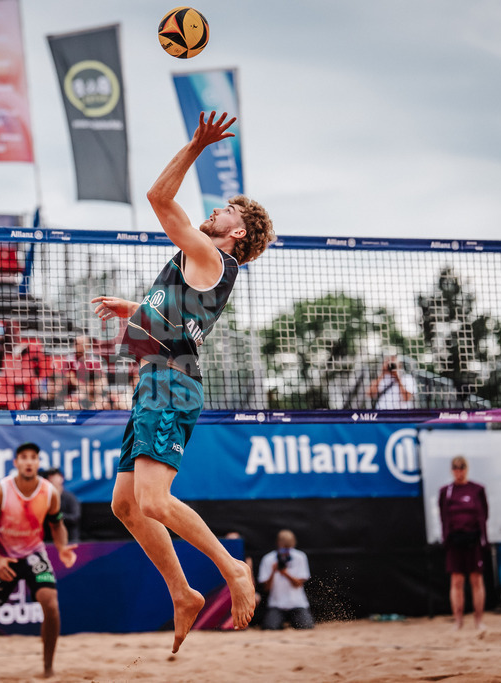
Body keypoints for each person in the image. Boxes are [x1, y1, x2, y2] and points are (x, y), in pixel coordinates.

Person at [90, 111, 275, 652]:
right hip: (158, 379)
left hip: (169, 384)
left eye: (226, 210)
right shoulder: (200, 264)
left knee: (153, 500)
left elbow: (158, 196)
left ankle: (232, 568)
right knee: (125, 505)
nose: (215, 210)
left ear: (236, 232)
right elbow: (178, 326)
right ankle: (183, 593)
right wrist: (134, 309)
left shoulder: (209, 253)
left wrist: (196, 145)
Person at [0, 442, 77, 678]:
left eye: (33, 458)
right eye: (24, 457)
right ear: (16, 463)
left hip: (33, 553)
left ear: (38, 463)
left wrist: (62, 548)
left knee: (51, 604)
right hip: (3, 554)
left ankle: (48, 668)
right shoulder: (0, 491)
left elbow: (57, 525)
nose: (29, 462)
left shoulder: (49, 492)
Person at [438, 455, 489, 630]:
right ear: (452, 470)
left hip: (473, 540)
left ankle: (478, 621)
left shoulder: (477, 490)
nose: (458, 472)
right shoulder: (446, 492)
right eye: (455, 468)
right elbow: (443, 516)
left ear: (466, 469)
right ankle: (458, 621)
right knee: (456, 581)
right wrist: (447, 537)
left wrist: (481, 536)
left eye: (461, 468)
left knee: (476, 580)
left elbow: (484, 514)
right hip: (455, 541)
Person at [258, 529, 314, 630]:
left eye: (289, 548)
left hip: (297, 603)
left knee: (306, 626)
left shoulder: (300, 557)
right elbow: (266, 588)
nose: (286, 552)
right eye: (284, 548)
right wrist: (273, 572)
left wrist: (285, 573)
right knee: (270, 627)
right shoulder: (268, 559)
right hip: (276, 604)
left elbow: (298, 584)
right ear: (278, 544)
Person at [41, 467, 81, 543]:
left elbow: (75, 517)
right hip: (48, 541)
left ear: (61, 479)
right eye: (50, 478)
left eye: (56, 476)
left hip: (69, 540)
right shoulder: (43, 499)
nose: (53, 480)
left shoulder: (70, 498)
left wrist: (58, 516)